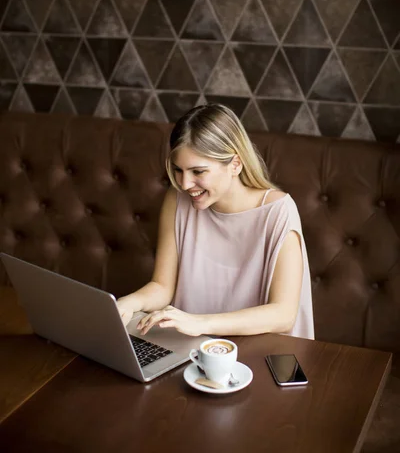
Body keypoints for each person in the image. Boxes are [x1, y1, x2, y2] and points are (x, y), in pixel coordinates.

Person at [117, 104, 314, 340]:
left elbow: (283, 314)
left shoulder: (278, 211)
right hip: (193, 348)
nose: (185, 184)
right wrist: (128, 303)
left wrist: (199, 323)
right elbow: (162, 286)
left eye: (198, 172)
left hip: (259, 349)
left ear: (235, 164)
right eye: (178, 170)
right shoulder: (177, 199)